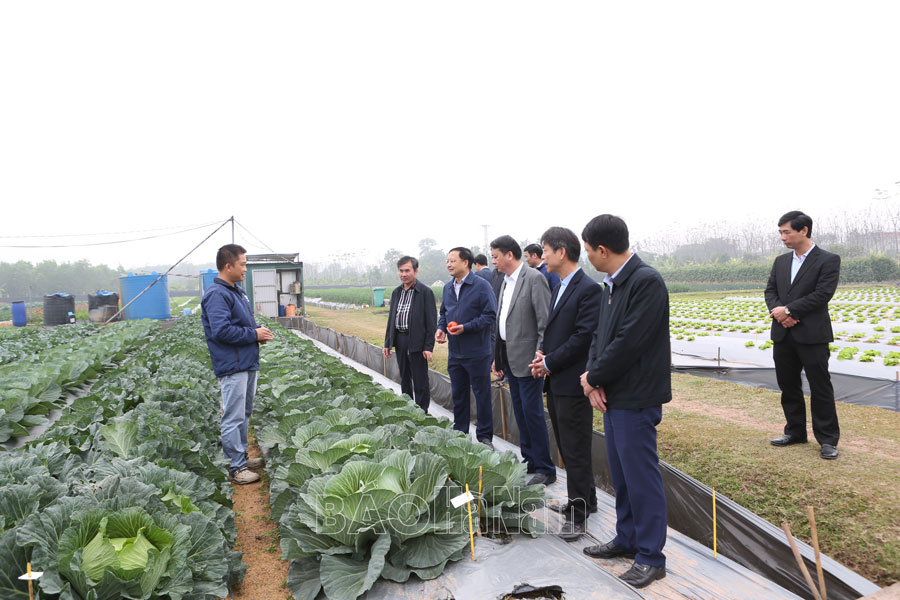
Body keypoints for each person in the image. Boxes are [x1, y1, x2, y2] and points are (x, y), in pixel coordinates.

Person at [578, 215, 669, 589]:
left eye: (587, 251)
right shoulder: (611, 285)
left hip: (636, 396)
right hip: (614, 395)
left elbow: (629, 342)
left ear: (602, 249)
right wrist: (591, 378)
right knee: (622, 475)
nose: (587, 258)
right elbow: (600, 337)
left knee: (641, 478)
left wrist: (594, 377)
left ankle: (651, 556)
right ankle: (627, 538)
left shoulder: (646, 282)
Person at [529, 226, 603, 541]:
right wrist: (544, 354)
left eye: (544, 250)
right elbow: (560, 332)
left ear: (561, 252)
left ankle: (577, 515)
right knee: (567, 446)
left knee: (575, 451)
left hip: (574, 383)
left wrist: (549, 362)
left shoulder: (588, 289)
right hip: (557, 380)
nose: (541, 256)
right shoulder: (560, 285)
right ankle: (587, 500)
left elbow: (582, 338)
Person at [764, 211, 841, 460]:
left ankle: (827, 440)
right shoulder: (781, 261)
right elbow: (770, 291)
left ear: (804, 230)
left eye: (786, 232)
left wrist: (789, 310)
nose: (782, 237)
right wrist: (780, 314)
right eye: (780, 232)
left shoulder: (828, 260)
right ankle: (795, 431)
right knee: (788, 385)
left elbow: (823, 294)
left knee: (820, 387)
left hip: (812, 334)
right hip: (783, 334)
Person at [201, 244, 274, 485]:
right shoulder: (217, 295)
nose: (245, 269)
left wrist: (257, 335)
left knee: (244, 413)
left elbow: (240, 325)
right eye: (242, 264)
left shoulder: (235, 292)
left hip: (246, 362)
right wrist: (254, 335)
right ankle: (236, 467)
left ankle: (241, 456)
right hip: (233, 365)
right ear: (228, 265)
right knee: (233, 416)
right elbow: (221, 331)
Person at [490, 235, 554, 487]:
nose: (493, 260)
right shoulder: (505, 281)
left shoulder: (534, 279)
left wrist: (541, 355)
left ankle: (546, 468)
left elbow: (544, 322)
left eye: (495, 256)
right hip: (509, 358)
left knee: (533, 413)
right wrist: (498, 358)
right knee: (520, 412)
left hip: (529, 361)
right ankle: (529, 459)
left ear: (509, 255)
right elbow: (501, 322)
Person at [436, 247, 497, 448]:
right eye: (447, 261)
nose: (448, 264)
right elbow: (444, 313)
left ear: (466, 262)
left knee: (482, 394)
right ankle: (460, 433)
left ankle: (485, 436)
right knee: (458, 394)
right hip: (455, 352)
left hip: (477, 351)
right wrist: (441, 328)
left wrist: (466, 328)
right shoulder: (447, 288)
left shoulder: (481, 286)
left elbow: (489, 316)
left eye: (452, 260)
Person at [383, 256, 437, 411]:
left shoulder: (425, 292)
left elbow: (431, 322)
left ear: (416, 271)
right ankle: (408, 410)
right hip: (400, 339)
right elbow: (392, 318)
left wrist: (428, 346)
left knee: (420, 380)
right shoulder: (396, 292)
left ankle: (421, 413)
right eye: (401, 271)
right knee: (405, 378)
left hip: (417, 342)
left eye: (407, 270)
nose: (403, 274)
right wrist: (388, 343)